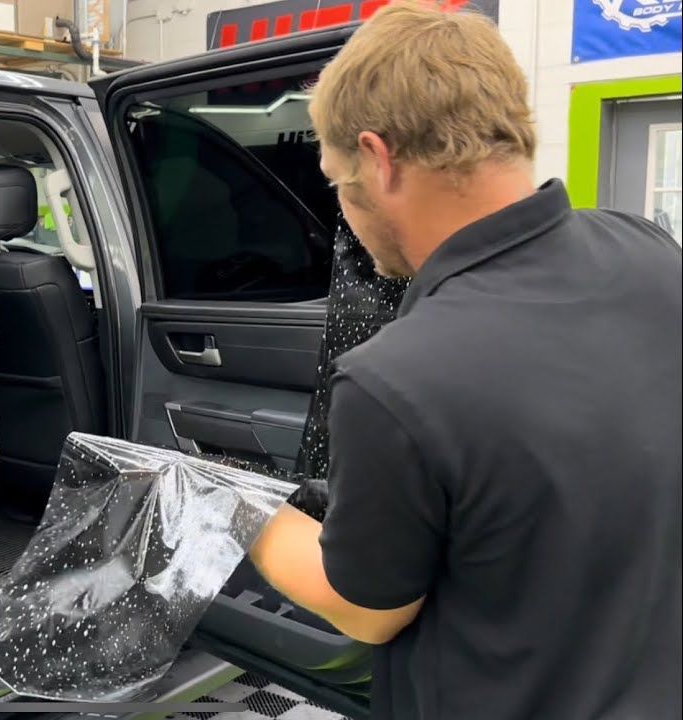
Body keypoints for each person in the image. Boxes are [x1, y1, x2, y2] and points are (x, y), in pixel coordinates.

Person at [247, 3, 683, 719]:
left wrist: (241, 515)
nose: (344, 210)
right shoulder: (650, 253)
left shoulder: (395, 381)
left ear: (378, 158)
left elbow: (367, 611)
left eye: (335, 182)